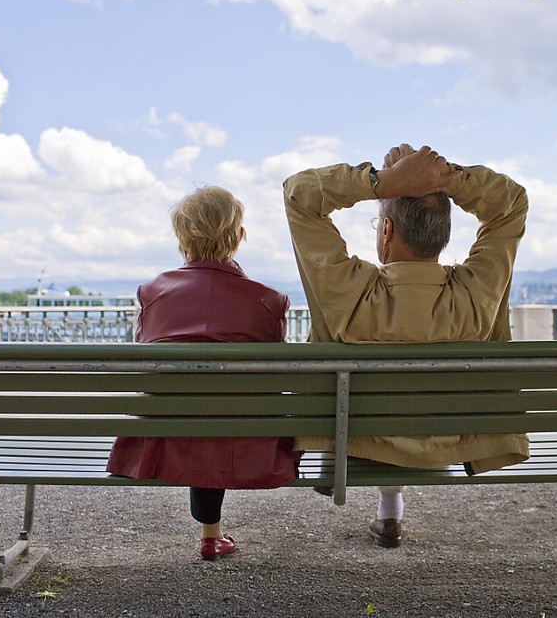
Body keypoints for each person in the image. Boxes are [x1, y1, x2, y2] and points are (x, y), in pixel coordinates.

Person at [283, 143, 530, 548]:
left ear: (386, 232)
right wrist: (447, 177)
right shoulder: (472, 297)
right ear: (442, 235)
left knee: (362, 406)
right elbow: (511, 202)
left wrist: (381, 183)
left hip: (355, 438)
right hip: (447, 442)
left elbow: (298, 194)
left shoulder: (350, 294)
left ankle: (387, 506)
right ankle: (390, 511)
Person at [107, 186, 297, 561]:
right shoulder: (269, 301)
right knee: (219, 412)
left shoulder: (152, 293)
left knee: (195, 409)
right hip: (245, 439)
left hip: (166, 437)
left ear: (181, 235)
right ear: (239, 236)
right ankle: (212, 534)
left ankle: (212, 532)